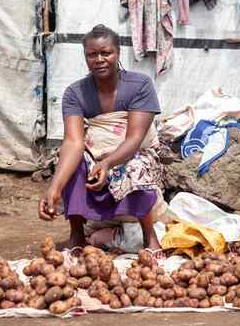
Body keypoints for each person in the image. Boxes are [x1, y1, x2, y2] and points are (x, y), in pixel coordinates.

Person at [38, 24, 165, 255]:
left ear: (118, 53)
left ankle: (150, 236)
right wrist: (54, 188)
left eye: (106, 53)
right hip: (94, 155)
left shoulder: (140, 85)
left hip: (130, 152)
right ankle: (76, 234)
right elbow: (74, 142)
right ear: (85, 57)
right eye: (92, 54)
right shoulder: (75, 93)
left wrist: (107, 163)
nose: (99, 59)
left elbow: (135, 138)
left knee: (136, 166)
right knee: (69, 162)